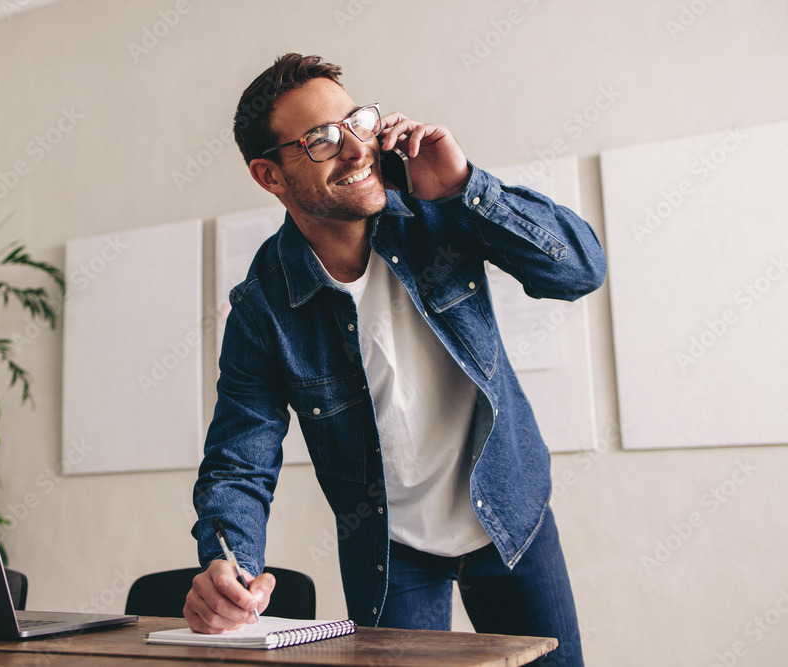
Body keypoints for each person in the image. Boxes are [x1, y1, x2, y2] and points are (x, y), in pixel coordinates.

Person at [184, 53, 605, 666]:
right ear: (269, 176)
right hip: (390, 547)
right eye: (322, 140)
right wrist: (230, 565)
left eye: (357, 121)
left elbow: (580, 270)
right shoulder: (263, 309)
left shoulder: (438, 211)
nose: (357, 148)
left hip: (510, 513)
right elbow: (238, 462)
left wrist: (467, 187)